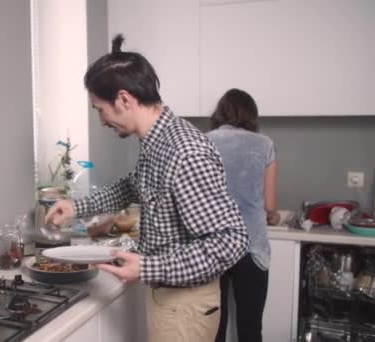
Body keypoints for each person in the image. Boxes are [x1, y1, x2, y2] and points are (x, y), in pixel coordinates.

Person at [45, 34, 249, 342]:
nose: (100, 120)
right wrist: (76, 206)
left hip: (185, 308)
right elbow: (132, 186)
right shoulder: (157, 142)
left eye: (99, 109)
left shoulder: (184, 151)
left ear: (124, 99)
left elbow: (230, 240)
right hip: (170, 300)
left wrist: (148, 266)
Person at [206, 88, 280, 342]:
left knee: (214, 326)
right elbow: (269, 205)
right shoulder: (265, 144)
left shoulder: (203, 141)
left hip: (213, 246)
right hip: (252, 247)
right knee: (250, 328)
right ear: (252, 115)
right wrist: (274, 216)